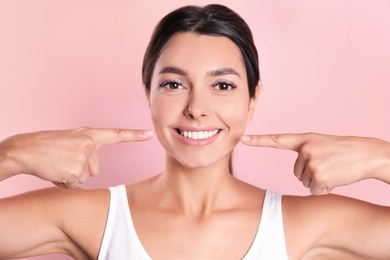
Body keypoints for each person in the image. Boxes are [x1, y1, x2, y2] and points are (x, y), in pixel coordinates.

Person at [0, 4, 390, 259]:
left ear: (253, 99)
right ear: (147, 93)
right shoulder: (93, 216)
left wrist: (380, 158)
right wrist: (10, 156)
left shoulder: (304, 222)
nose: (197, 108)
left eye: (222, 85)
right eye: (173, 84)